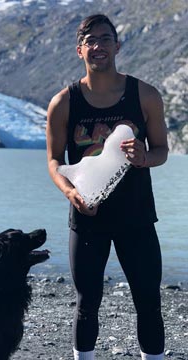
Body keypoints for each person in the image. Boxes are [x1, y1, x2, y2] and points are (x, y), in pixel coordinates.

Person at [46, 14, 168, 360]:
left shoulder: (145, 95)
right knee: (86, 304)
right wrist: (70, 193)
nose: (98, 46)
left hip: (137, 217)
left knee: (148, 302)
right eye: (90, 40)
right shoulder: (64, 103)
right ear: (79, 50)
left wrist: (145, 157)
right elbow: (54, 161)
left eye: (105, 38)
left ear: (118, 45)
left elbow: (162, 151)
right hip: (87, 218)